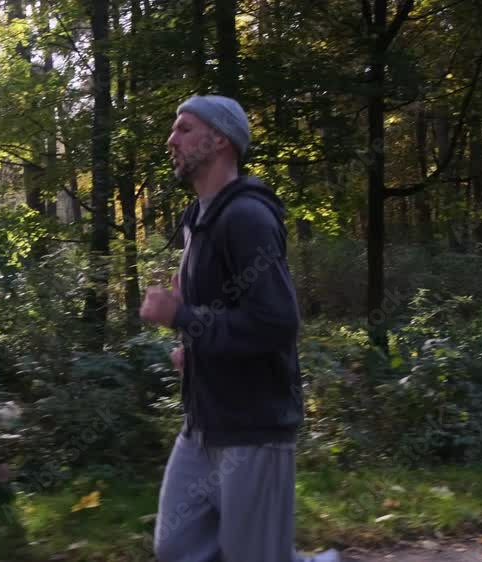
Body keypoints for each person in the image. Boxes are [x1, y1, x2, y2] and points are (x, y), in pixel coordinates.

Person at [139, 95, 340, 562]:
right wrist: (193, 345)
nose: (172, 139)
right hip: (205, 422)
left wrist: (182, 319)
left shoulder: (246, 217)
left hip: (253, 424)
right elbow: (228, 318)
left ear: (221, 140)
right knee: (178, 545)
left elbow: (276, 323)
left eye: (184, 128)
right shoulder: (199, 221)